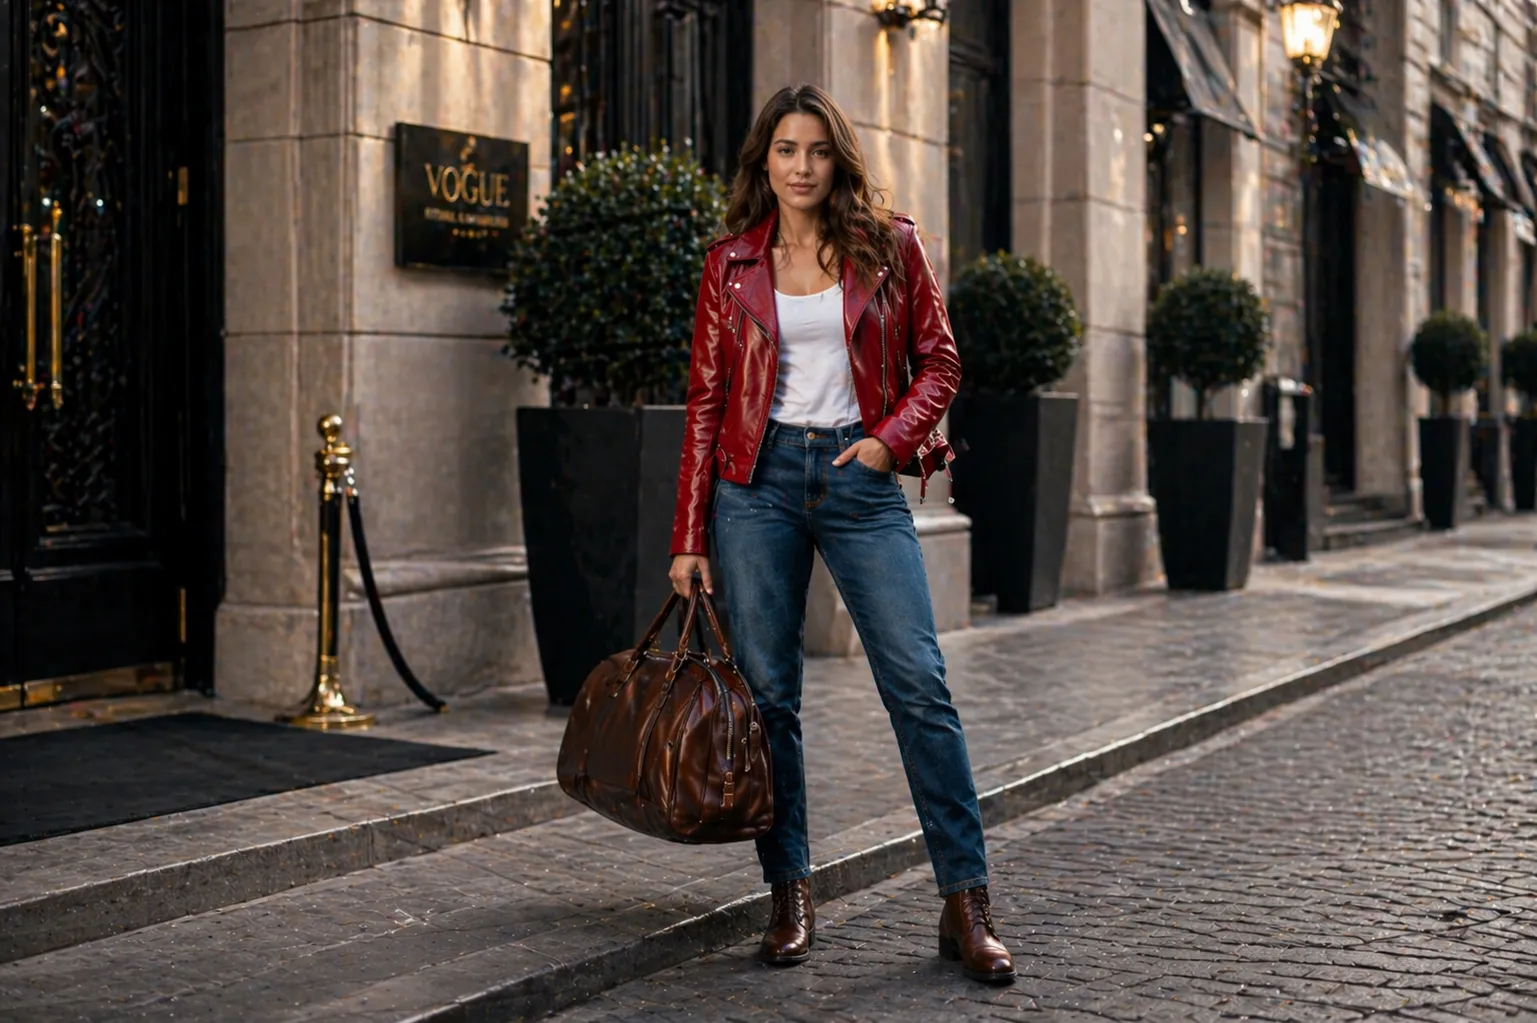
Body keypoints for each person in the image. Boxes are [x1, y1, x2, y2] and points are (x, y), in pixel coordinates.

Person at [667, 84, 1014, 985]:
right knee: (771, 697)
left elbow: (939, 359)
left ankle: (964, 901)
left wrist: (887, 442)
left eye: (816, 151)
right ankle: (788, 890)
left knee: (918, 683)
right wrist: (688, 535)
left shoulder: (890, 245)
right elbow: (706, 403)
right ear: (763, 162)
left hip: (857, 481)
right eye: (785, 150)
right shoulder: (730, 265)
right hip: (756, 487)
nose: (801, 167)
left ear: (838, 159)